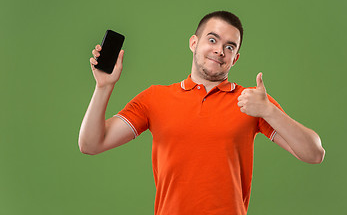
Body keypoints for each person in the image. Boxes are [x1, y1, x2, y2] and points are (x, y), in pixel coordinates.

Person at [78, 11, 325, 215]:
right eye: (213, 40)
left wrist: (269, 111)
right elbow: (91, 143)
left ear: (235, 58)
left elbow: (314, 153)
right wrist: (104, 87)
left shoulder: (252, 101)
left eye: (229, 47)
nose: (220, 51)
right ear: (194, 43)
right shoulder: (155, 98)